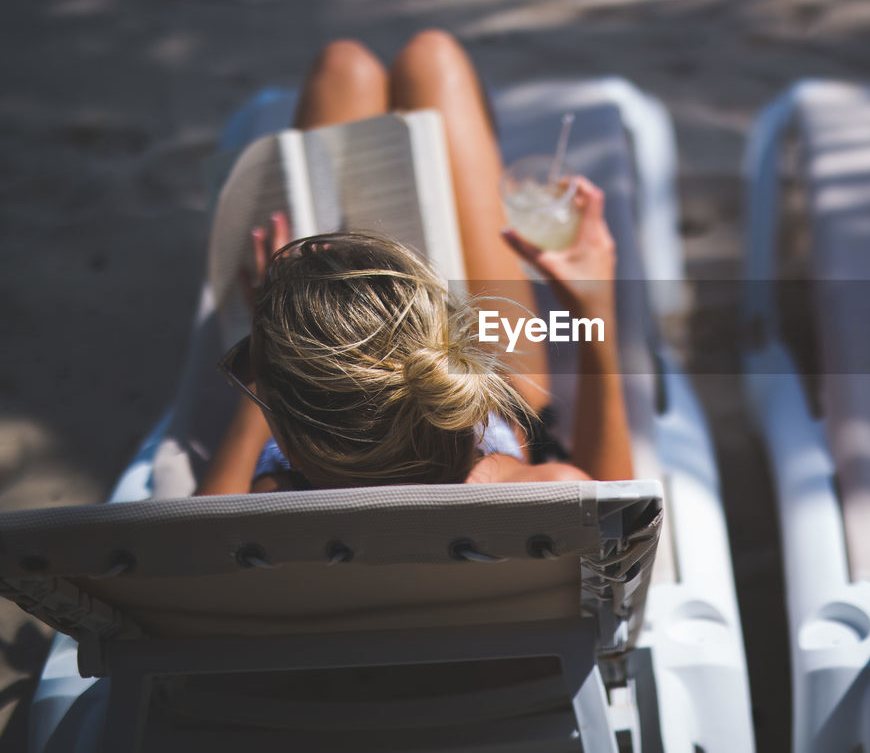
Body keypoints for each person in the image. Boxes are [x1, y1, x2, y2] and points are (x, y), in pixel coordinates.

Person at [196, 30, 632, 494]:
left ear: (294, 451)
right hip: (506, 417)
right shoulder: (547, 487)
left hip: (390, 427)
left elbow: (195, 535)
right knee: (432, 58)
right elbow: (624, 520)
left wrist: (276, 350)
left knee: (345, 68)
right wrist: (593, 315)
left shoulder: (261, 514)